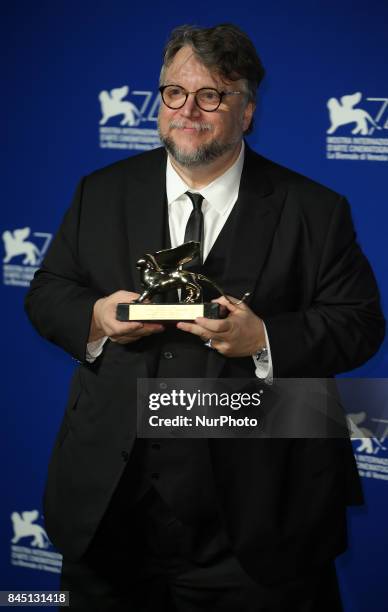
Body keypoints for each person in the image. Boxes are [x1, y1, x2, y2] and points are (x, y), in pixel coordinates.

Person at [25, 23, 385, 612]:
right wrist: (96, 316)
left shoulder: (316, 210)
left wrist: (264, 338)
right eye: (174, 92)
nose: (188, 110)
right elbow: (46, 292)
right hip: (112, 515)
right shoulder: (100, 192)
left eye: (211, 95)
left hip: (259, 523)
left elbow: (360, 323)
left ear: (246, 110)